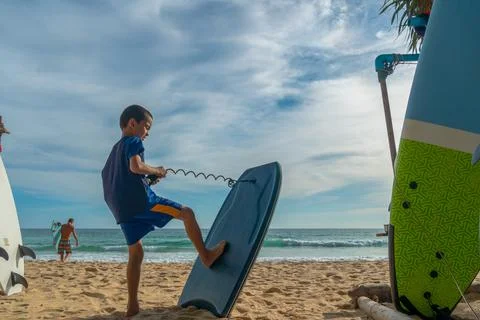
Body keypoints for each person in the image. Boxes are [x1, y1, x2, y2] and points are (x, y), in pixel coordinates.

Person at [101, 104, 227, 318]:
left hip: (121, 210)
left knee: (136, 253)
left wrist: (147, 180)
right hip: (140, 203)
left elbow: (119, 176)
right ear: (133, 123)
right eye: (147, 127)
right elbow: (135, 167)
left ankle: (132, 306)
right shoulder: (133, 141)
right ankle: (206, 256)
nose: (147, 132)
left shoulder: (114, 151)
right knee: (187, 213)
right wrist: (157, 170)